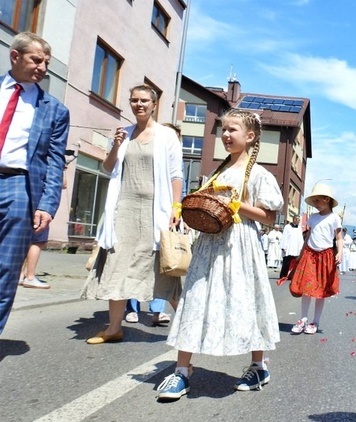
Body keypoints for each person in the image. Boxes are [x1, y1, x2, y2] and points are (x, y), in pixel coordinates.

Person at [156, 109, 283, 401]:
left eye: (232, 130)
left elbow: (270, 216)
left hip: (240, 245)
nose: (225, 135)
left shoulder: (259, 174)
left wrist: (236, 205)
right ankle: (182, 370)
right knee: (195, 299)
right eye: (223, 129)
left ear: (249, 136)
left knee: (247, 300)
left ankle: (258, 365)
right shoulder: (218, 171)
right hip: (210, 244)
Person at [81, 85, 182, 344]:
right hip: (123, 208)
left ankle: (187, 324)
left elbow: (175, 175)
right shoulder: (123, 133)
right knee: (117, 263)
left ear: (154, 104)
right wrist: (115, 146)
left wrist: (176, 207)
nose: (139, 104)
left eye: (144, 100)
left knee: (163, 267)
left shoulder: (166, 136)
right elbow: (107, 167)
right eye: (134, 100)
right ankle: (114, 328)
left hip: (154, 209)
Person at [0, 32, 69, 335]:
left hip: (19, 186)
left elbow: (55, 161)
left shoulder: (54, 109)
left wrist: (47, 204)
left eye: (46, 63)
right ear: (15, 56)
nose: (43, 67)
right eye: (36, 60)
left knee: (6, 269)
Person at [124, 123, 183, 326]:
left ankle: (158, 310)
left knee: (162, 262)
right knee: (133, 260)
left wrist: (178, 209)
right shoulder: (146, 147)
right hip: (136, 208)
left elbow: (177, 180)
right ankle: (131, 307)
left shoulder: (173, 160)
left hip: (163, 214)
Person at [279, 183, 342, 335]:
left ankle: (315, 321)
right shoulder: (312, 218)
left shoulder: (334, 218)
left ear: (326, 199)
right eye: (313, 201)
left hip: (325, 255)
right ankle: (303, 319)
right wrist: (301, 254)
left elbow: (339, 238)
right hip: (310, 254)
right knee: (306, 288)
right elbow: (308, 236)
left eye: (317, 200)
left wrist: (339, 253)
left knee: (321, 290)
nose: (315, 204)